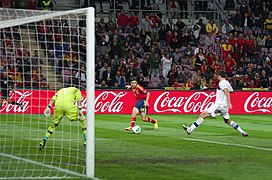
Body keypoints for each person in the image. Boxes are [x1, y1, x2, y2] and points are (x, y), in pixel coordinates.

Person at [182, 70, 248, 137]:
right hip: (224, 106)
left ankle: (190, 129)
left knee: (203, 114)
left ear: (219, 76)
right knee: (227, 121)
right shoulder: (227, 83)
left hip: (219, 105)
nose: (217, 77)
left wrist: (229, 102)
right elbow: (231, 91)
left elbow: (226, 91)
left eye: (217, 76)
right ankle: (242, 132)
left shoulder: (222, 83)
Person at [39, 86, 86, 151]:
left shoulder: (60, 90)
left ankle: (44, 139)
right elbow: (79, 100)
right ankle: (86, 140)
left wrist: (49, 107)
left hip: (58, 106)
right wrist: (80, 109)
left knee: (54, 124)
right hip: (68, 106)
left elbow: (53, 98)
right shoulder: (76, 90)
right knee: (83, 120)